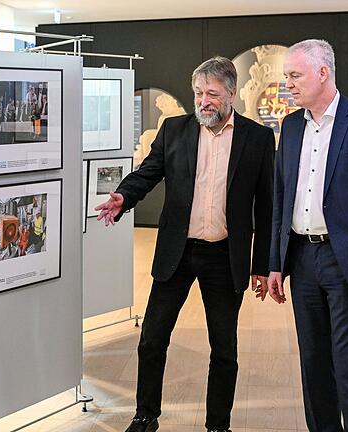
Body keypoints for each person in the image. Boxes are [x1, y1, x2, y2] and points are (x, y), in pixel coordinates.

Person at [95, 56, 274, 432]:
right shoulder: (174, 130)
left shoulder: (257, 139)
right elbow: (147, 173)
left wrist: (261, 265)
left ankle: (217, 426)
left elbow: (267, 205)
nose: (203, 101)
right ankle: (146, 416)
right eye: (198, 93)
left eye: (211, 94)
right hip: (178, 253)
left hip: (225, 257)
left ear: (231, 93)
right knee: (152, 339)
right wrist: (123, 198)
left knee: (224, 350)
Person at [267, 40, 348, 432]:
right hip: (302, 261)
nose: (287, 83)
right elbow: (280, 198)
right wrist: (275, 263)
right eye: (286, 75)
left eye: (294, 75)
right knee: (314, 365)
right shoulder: (290, 127)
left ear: (323, 73)